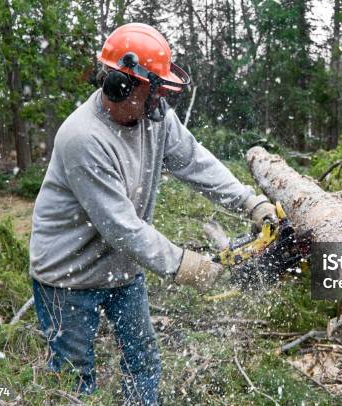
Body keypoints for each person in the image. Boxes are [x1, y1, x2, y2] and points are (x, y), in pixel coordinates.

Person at [29, 23, 276, 405]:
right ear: (120, 86)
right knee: (74, 382)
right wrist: (183, 264)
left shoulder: (153, 116)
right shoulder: (83, 138)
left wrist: (248, 201)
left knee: (143, 363)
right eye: (154, 88)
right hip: (67, 277)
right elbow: (121, 226)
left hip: (123, 270)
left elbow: (195, 163)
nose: (160, 98)